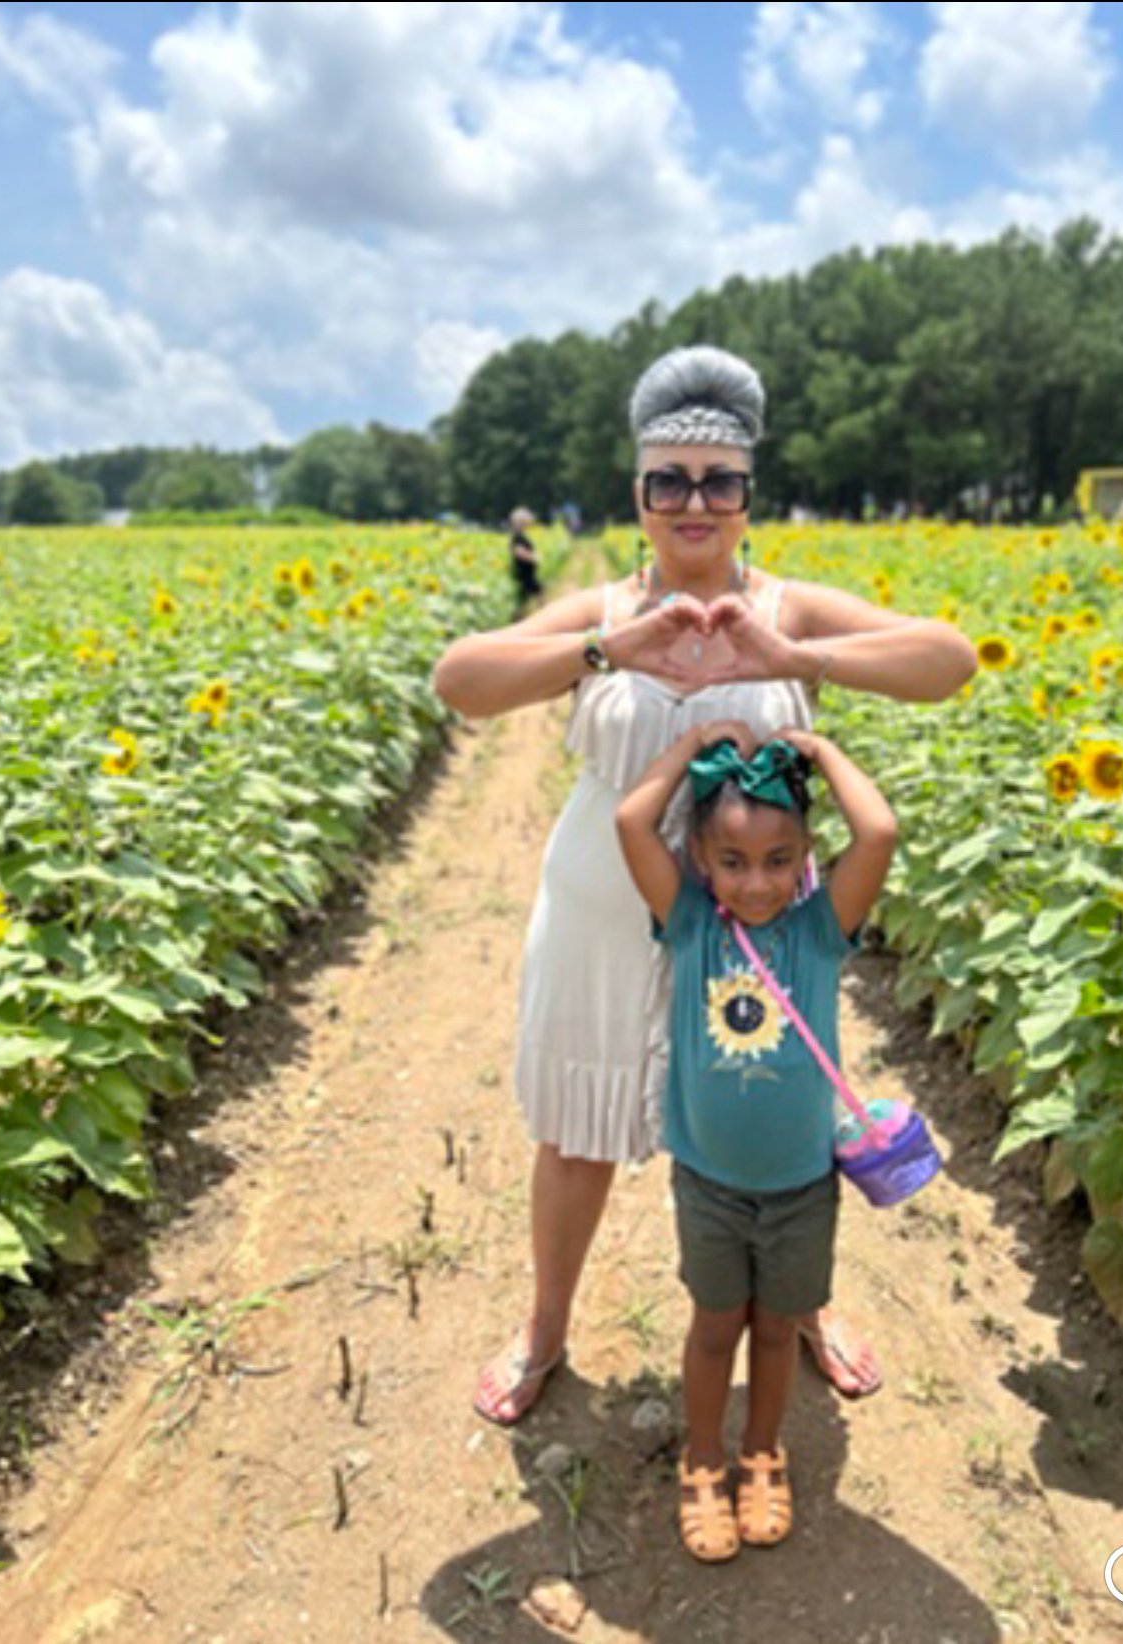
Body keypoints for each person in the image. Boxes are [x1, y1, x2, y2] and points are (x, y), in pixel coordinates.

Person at [430, 344, 978, 1425]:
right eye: (668, 479)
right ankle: (546, 1325)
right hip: (601, 906)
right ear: (637, 495)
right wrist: (608, 649)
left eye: (717, 481)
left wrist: (793, 660)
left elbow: (948, 659)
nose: (693, 501)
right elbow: (462, 684)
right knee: (576, 1131)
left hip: (760, 924)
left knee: (781, 1117)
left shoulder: (789, 609)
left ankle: (803, 1308)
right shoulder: (603, 608)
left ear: (746, 498)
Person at [615, 722, 895, 1560]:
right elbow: (633, 822)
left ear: (806, 856)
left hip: (803, 1183)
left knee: (778, 1329)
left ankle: (762, 1454)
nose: (759, 881)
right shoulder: (693, 925)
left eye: (780, 860)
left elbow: (877, 832)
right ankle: (701, 1461)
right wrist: (693, 744)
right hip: (708, 1180)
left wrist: (820, 755)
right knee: (712, 1325)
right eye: (733, 861)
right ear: (702, 863)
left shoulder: (817, 932)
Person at [508, 506, 542, 609]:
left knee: (525, 598)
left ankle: (520, 617)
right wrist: (533, 557)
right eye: (527, 520)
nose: (529, 522)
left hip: (527, 571)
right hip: (524, 572)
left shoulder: (520, 535)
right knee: (538, 593)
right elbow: (518, 552)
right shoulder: (518, 536)